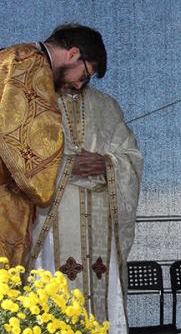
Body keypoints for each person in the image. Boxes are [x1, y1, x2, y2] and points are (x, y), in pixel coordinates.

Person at [29, 86, 142, 334]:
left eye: (91, 73)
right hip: (52, 218)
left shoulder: (105, 104)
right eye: (84, 67)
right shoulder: (36, 101)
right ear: (72, 55)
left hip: (100, 221)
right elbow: (21, 159)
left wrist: (108, 164)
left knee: (102, 301)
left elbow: (131, 155)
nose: (84, 79)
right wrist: (64, 166)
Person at [0, 24, 106, 267]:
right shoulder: (31, 64)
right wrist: (68, 165)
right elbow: (27, 146)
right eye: (84, 76)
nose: (79, 86)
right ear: (73, 54)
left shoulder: (10, 56)